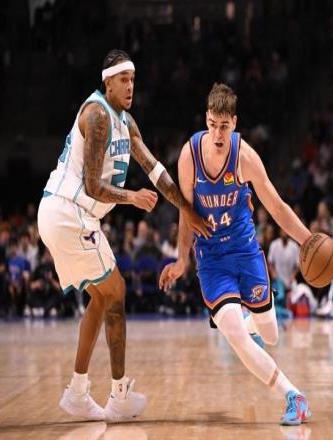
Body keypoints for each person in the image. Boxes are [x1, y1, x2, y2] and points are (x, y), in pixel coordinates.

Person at [38, 49, 210, 422]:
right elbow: (92, 185)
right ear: (108, 82)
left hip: (73, 216)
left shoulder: (125, 122)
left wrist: (186, 208)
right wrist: (132, 197)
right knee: (116, 291)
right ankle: (118, 397)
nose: (131, 86)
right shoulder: (98, 115)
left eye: (133, 79)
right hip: (68, 211)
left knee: (102, 299)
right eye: (123, 80)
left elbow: (155, 170)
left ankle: (78, 392)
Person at [160, 83, 312, 425]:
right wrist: (182, 259)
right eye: (213, 124)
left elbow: (276, 206)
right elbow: (185, 211)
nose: (217, 134)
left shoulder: (245, 157)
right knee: (235, 335)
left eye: (224, 126)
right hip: (212, 258)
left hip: (245, 251)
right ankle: (294, 396)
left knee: (270, 335)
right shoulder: (189, 156)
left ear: (235, 123)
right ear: (206, 119)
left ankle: (252, 317)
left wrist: (308, 239)